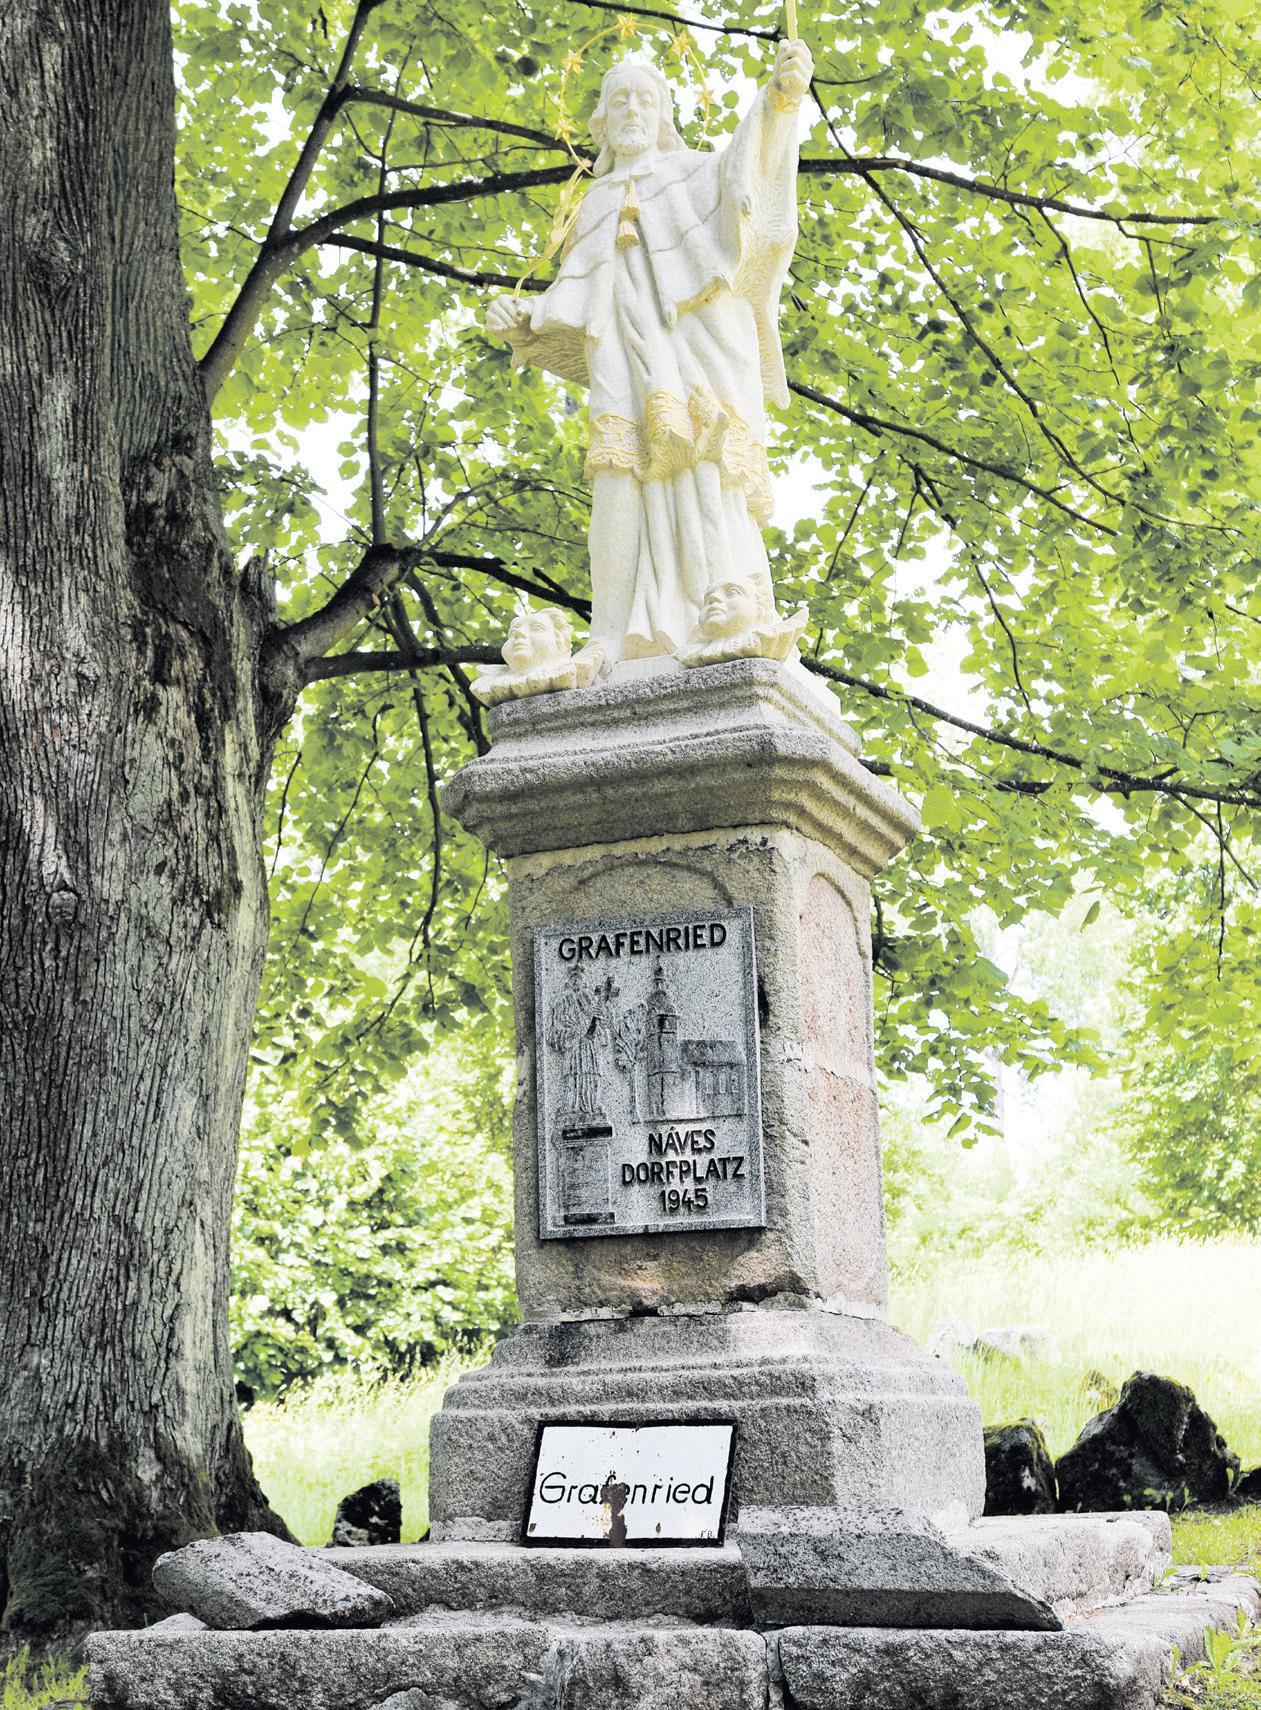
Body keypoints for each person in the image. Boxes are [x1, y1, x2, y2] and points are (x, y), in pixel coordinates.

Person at [486, 39, 812, 664]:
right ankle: (610, 635)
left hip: (699, 351)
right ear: (602, 122)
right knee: (616, 474)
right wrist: (523, 317)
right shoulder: (594, 202)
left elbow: (753, 180)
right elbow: (574, 293)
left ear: (664, 114)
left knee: (705, 468)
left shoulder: (696, 172)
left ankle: (723, 612)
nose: (632, 110)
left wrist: (780, 99)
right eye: (619, 101)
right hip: (621, 357)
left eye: (645, 99)